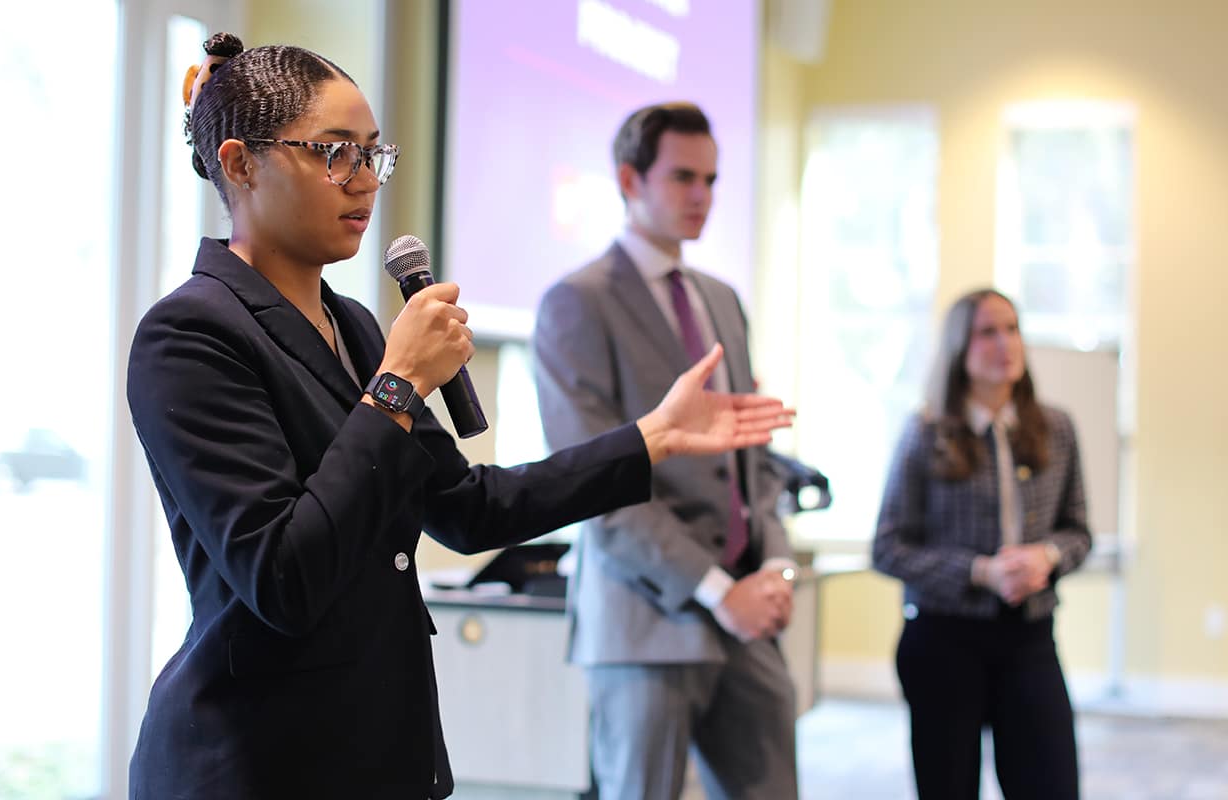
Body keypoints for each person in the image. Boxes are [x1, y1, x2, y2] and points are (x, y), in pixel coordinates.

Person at [125, 36, 793, 800]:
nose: (364, 180)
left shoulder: (355, 328)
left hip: (379, 744)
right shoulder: (191, 333)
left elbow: (471, 511)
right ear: (241, 164)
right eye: (334, 153)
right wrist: (401, 384)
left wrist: (652, 437)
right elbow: (283, 577)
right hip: (257, 758)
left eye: (374, 154)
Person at [531, 102, 800, 800]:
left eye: (710, 179)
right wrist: (718, 591)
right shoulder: (577, 303)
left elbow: (752, 458)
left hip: (747, 615)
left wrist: (774, 569)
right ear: (630, 180)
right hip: (644, 620)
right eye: (683, 177)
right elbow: (593, 486)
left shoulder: (723, 300)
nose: (702, 195)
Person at [871, 288, 1092, 799]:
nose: (1004, 344)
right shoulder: (926, 432)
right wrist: (979, 572)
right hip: (943, 641)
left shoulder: (1056, 429)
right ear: (959, 347)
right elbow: (887, 547)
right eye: (987, 332)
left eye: (1012, 329)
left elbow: (1079, 532)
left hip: (1029, 638)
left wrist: (1047, 557)